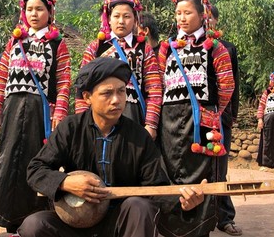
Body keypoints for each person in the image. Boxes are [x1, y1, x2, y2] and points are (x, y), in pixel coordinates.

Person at [17, 57, 205, 237]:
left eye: (121, 91)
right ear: (87, 97)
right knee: (34, 225)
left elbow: (155, 188)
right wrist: (65, 182)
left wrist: (183, 202)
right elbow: (35, 170)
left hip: (119, 223)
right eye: (107, 93)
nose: (116, 99)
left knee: (140, 207)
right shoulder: (70, 128)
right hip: (73, 223)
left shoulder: (139, 136)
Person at [0, 0, 71, 233]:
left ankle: (36, 220)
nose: (34, 14)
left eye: (39, 9)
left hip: (40, 110)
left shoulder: (57, 44)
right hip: (13, 107)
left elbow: (64, 81)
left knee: (38, 160)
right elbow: (2, 75)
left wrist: (59, 112)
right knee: (9, 159)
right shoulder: (15, 40)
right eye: (29, 9)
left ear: (49, 12)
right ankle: (7, 218)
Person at [157, 0, 235, 237]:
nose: (181, 18)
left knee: (201, 174)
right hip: (169, 120)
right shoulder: (166, 48)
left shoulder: (216, 48)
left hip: (201, 123)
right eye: (178, 13)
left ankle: (199, 230)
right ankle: (170, 227)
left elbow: (227, 86)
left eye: (188, 12)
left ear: (202, 15)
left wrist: (211, 113)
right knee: (170, 169)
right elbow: (158, 83)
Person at [76, 0, 162, 140]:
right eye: (116, 16)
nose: (121, 21)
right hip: (99, 112)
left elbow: (154, 89)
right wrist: (82, 121)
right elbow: (82, 87)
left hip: (133, 113)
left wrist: (151, 124)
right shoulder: (95, 47)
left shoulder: (144, 49)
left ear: (135, 19)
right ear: (109, 19)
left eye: (127, 16)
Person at [210, 5, 242, 236]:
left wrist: (230, 116)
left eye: (210, 18)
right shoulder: (183, 47)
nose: (207, 22)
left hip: (222, 118)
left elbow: (234, 86)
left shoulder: (227, 48)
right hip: (194, 119)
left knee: (220, 169)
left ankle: (224, 218)